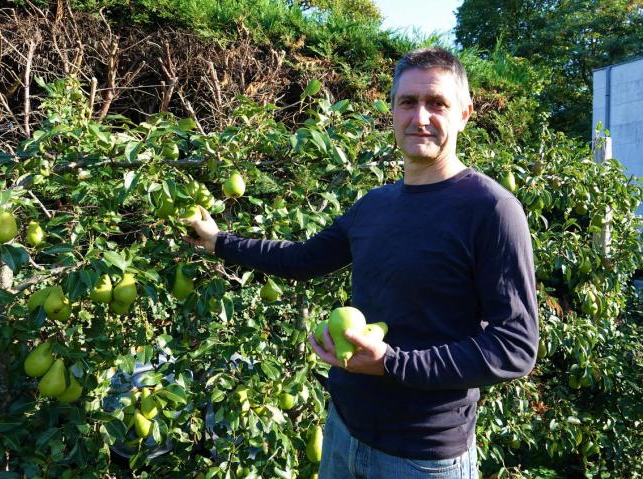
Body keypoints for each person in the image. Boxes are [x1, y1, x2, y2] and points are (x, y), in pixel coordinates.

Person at [184, 47, 538, 479]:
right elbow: (304, 258)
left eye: (437, 103)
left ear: (464, 113)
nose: (420, 117)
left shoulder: (492, 210)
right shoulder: (375, 205)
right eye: (408, 102)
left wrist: (391, 362)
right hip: (343, 431)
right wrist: (219, 242)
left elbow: (515, 346)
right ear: (392, 110)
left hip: (422, 456)